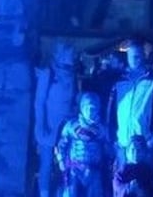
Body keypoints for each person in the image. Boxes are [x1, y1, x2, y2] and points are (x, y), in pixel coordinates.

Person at [107, 39, 153, 171]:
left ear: (143, 56)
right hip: (123, 143)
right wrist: (112, 138)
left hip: (144, 143)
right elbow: (110, 112)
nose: (134, 59)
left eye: (137, 55)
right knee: (122, 186)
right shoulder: (119, 81)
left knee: (145, 186)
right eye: (131, 56)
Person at [35, 41, 78, 197]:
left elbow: (72, 100)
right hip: (50, 124)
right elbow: (39, 102)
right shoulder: (48, 73)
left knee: (66, 163)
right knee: (46, 164)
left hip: (65, 126)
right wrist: (41, 125)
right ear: (59, 55)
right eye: (70, 53)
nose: (73, 56)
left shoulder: (71, 75)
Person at [56, 92, 112, 197]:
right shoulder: (71, 126)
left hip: (94, 170)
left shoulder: (102, 129)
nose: (90, 112)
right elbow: (61, 145)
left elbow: (109, 151)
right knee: (69, 193)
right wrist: (61, 161)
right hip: (74, 169)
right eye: (88, 108)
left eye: (93, 108)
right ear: (82, 108)